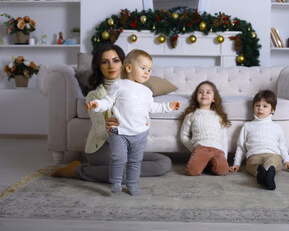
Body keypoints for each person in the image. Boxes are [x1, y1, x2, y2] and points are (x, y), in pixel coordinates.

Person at [51, 44, 173, 190]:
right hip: (103, 147)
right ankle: (79, 171)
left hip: (130, 144)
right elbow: (99, 131)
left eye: (115, 60)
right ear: (99, 66)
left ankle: (123, 170)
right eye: (105, 62)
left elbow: (145, 110)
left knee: (163, 163)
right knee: (119, 174)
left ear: (125, 64)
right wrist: (109, 128)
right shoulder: (95, 96)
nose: (111, 66)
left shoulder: (139, 89)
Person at [86, 49, 179, 195]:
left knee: (136, 161)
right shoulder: (118, 85)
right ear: (129, 67)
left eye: (149, 70)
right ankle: (116, 182)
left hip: (139, 134)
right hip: (119, 133)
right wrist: (97, 104)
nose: (147, 72)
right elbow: (108, 101)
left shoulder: (147, 91)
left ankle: (132, 185)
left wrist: (168, 106)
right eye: (143, 68)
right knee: (118, 158)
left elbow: (153, 107)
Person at [229, 89, 289, 190]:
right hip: (254, 156)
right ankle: (264, 176)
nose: (260, 109)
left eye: (265, 106)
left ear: (272, 110)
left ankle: (267, 177)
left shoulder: (277, 127)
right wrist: (236, 164)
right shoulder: (247, 126)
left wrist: (287, 161)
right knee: (253, 166)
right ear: (253, 108)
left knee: (272, 163)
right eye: (257, 105)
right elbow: (241, 147)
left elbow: (282, 146)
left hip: (272, 154)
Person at [179, 81, 231, 176]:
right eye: (200, 92)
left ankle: (207, 163)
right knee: (192, 171)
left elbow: (224, 138)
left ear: (214, 98)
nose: (204, 94)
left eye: (208, 92)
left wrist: (225, 157)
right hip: (200, 148)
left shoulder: (219, 116)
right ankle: (203, 163)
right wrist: (194, 148)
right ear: (196, 97)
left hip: (217, 149)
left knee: (223, 171)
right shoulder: (191, 115)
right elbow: (183, 135)